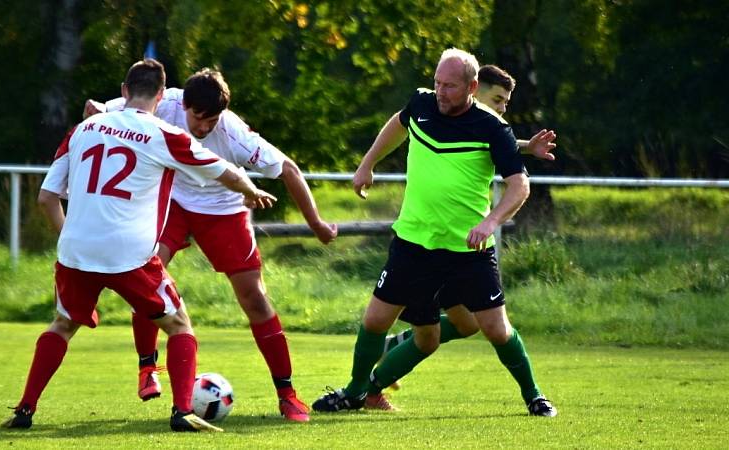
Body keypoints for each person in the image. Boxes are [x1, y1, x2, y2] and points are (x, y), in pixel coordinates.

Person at [2, 59, 277, 432]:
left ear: (124, 90)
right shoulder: (163, 133)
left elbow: (47, 198)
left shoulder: (82, 129)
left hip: (76, 250)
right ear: (162, 95)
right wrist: (250, 189)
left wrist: (72, 239)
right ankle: (183, 412)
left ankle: (24, 410)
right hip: (131, 253)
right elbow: (220, 169)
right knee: (179, 326)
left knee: (63, 325)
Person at [311, 48, 557, 417]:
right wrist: (367, 163)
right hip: (413, 243)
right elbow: (398, 123)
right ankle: (355, 392)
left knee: (494, 328)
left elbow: (519, 186)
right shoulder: (422, 104)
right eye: (437, 82)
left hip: (466, 252)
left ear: (472, 87)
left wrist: (490, 223)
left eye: (450, 86)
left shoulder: (492, 127)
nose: (440, 91)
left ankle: (535, 396)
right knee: (386, 324)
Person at [83, 68, 337, 423]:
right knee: (148, 274)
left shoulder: (233, 132)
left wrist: (318, 225)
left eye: (211, 121)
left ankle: (287, 395)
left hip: (224, 209)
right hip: (173, 202)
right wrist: (94, 109)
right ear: (182, 104)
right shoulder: (164, 102)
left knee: (255, 299)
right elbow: (101, 108)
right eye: (197, 119)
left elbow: (290, 170)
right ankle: (147, 368)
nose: (203, 128)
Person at [378, 64, 558, 394]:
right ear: (476, 90)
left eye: (507, 103)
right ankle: (373, 377)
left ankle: (389, 350)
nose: (503, 108)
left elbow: (489, 139)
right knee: (443, 330)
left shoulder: (486, 126)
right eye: (498, 99)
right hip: (427, 242)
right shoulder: (439, 108)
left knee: (468, 324)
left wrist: (525, 147)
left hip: (462, 246)